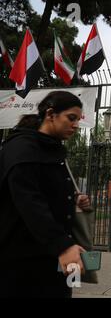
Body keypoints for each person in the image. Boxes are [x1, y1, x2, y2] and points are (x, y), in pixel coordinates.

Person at [0, 91, 91, 298]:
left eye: (78, 119)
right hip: (23, 262)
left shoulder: (53, 150)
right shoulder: (22, 148)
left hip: (54, 257)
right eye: (71, 118)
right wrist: (63, 245)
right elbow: (30, 202)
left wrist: (76, 200)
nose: (76, 125)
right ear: (51, 114)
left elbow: (49, 192)